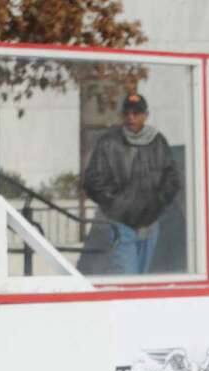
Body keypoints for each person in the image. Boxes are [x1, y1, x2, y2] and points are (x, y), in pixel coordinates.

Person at [81, 92, 180, 276]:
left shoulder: (157, 141)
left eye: (136, 113)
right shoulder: (109, 141)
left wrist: (156, 204)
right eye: (127, 113)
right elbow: (93, 181)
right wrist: (119, 206)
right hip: (121, 225)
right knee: (128, 276)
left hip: (150, 225)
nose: (131, 117)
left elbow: (172, 179)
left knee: (141, 280)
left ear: (145, 115)